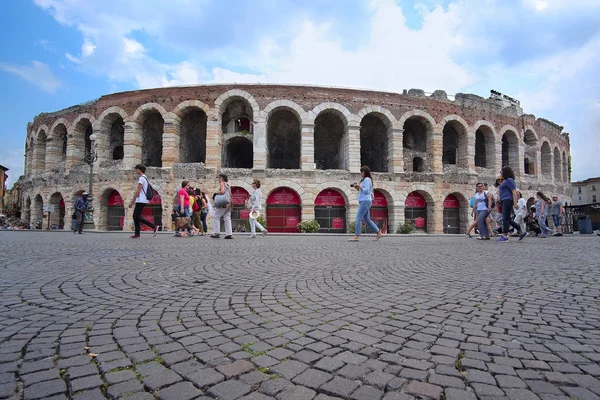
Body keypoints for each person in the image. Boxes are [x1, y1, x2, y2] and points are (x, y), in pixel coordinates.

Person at [348, 165, 383, 242]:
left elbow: (366, 191)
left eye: (362, 172)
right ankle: (378, 232)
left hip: (365, 201)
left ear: (365, 172)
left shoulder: (367, 179)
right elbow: (363, 191)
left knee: (358, 218)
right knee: (367, 220)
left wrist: (359, 186)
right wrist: (357, 187)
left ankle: (356, 236)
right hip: (365, 200)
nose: (361, 173)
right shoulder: (365, 180)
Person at [128, 164, 159, 238]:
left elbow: (138, 190)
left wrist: (132, 201)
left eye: (136, 169)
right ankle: (137, 234)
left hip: (141, 200)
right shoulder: (145, 177)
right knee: (136, 216)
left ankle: (153, 226)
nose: (136, 170)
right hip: (142, 200)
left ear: (140, 169)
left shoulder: (141, 178)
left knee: (136, 216)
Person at [496, 167, 527, 242]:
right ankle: (521, 231)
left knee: (505, 219)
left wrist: (515, 203)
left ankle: (505, 236)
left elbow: (514, 191)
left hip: (508, 200)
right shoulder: (506, 181)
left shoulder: (509, 180)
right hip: (504, 200)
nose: (501, 173)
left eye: (501, 172)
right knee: (508, 219)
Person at [211, 173, 233, 239]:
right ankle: (229, 233)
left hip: (223, 203)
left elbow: (223, 191)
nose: (218, 179)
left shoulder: (222, 183)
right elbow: (230, 194)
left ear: (222, 178)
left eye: (219, 178)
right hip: (229, 203)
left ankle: (216, 232)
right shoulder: (228, 184)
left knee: (216, 216)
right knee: (227, 218)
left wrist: (217, 192)